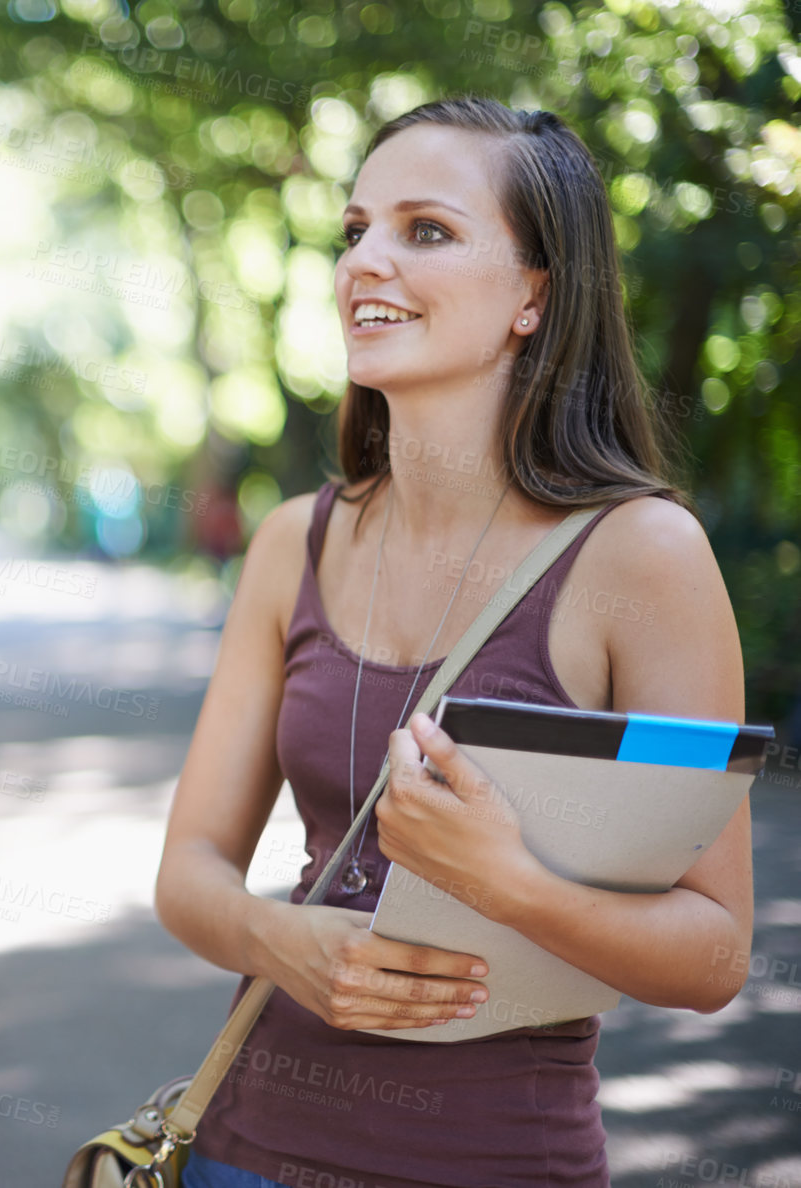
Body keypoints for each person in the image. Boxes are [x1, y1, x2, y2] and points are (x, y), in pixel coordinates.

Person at [155, 96, 750, 1188]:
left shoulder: (643, 556)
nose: (364, 263)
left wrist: (507, 880)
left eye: (424, 231)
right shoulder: (298, 539)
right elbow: (188, 874)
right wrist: (275, 939)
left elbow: (713, 953)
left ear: (535, 294)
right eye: (354, 231)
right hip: (241, 1152)